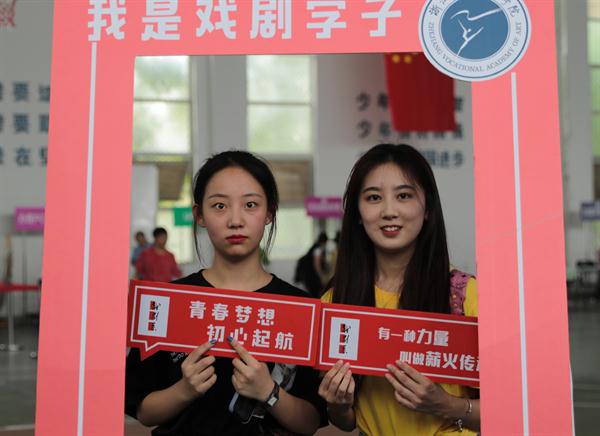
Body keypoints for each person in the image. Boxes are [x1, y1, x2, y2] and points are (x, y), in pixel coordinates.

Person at [126, 150, 327, 435]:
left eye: (250, 205)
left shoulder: (301, 308)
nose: (235, 220)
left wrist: (268, 391)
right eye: (219, 206)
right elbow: (144, 411)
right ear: (199, 215)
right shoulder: (166, 304)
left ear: (269, 213)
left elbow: (310, 422)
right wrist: (184, 390)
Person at [318, 144, 480, 435]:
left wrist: (446, 405)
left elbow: (515, 409)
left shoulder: (467, 296)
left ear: (427, 208)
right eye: (374, 198)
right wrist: (338, 405)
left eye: (404, 196)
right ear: (357, 213)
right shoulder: (335, 303)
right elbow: (346, 421)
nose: (389, 211)